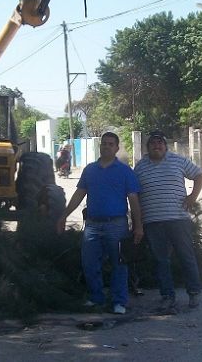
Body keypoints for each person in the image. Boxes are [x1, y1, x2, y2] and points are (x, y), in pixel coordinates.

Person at [56, 132, 143, 315]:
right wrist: (64, 215)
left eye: (111, 144)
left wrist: (138, 226)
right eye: (104, 143)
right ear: (100, 146)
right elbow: (79, 194)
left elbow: (133, 200)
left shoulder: (125, 171)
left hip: (117, 225)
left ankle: (119, 301)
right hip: (93, 225)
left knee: (119, 264)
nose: (106, 146)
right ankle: (96, 297)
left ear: (117, 148)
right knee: (89, 263)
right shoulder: (90, 170)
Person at [134, 131, 202, 313]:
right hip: (153, 222)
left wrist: (192, 197)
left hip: (178, 219)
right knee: (161, 261)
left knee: (186, 257)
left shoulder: (178, 161)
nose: (156, 146)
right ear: (147, 147)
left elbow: (198, 175)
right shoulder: (140, 166)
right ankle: (167, 297)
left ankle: (194, 293)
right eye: (152, 144)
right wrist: (137, 222)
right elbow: (135, 195)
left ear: (165, 145)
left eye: (160, 143)